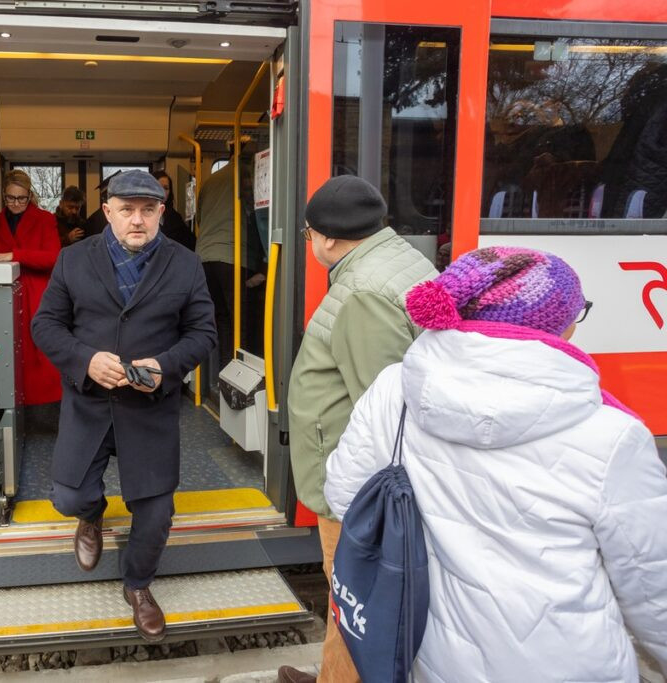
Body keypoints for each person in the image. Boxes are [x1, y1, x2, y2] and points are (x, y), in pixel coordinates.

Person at [323, 247, 667, 682]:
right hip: (567, 664)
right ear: (557, 325)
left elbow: (343, 495)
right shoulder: (612, 436)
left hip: (428, 655)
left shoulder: (395, 389)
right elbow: (654, 589)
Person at [31, 170, 216, 642]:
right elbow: (46, 325)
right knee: (68, 498)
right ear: (107, 211)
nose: (138, 220)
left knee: (155, 516)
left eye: (148, 210)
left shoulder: (185, 263)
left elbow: (203, 335)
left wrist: (167, 366)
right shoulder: (73, 260)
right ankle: (91, 516)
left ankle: (137, 585)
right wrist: (85, 360)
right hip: (90, 402)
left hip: (149, 407)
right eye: (127, 210)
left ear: (161, 212)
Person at [278, 175, 437, 683]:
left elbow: (384, 407)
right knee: (351, 600)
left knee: (355, 598)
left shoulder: (363, 292)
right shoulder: (398, 260)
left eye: (307, 236)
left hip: (358, 487)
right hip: (361, 477)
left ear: (326, 238)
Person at [0, 170, 62, 405]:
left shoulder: (45, 218)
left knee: (40, 354)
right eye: (10, 198)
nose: (16, 203)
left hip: (37, 295)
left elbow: (53, 257)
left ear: (30, 196)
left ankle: (48, 407)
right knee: (7, 352)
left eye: (21, 198)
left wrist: (15, 255)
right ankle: (11, 404)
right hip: (3, 294)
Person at [194, 160, 246, 368]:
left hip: (204, 256)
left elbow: (199, 219)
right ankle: (240, 374)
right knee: (241, 320)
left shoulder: (210, 181)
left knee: (222, 318)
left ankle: (225, 368)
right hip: (232, 254)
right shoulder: (245, 175)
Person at [152, 171, 196, 250]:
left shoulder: (175, 218)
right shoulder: (141, 215)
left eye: (166, 188)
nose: (162, 192)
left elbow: (190, 242)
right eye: (158, 187)